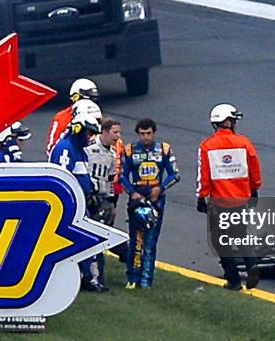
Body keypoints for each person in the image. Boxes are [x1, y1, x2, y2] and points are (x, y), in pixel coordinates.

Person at [196, 103, 263, 290]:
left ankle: (233, 280)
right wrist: (254, 189)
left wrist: (201, 197)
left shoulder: (207, 146)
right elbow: (254, 170)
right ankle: (252, 266)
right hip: (241, 199)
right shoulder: (244, 143)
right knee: (240, 237)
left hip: (219, 201)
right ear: (227, 121)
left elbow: (204, 176)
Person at [120, 118, 180, 289]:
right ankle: (132, 278)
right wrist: (132, 192)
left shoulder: (164, 149)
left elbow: (174, 174)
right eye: (142, 133)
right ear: (138, 133)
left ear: (154, 132)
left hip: (156, 199)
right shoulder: (130, 150)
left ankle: (146, 280)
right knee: (135, 239)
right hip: (137, 198)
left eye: (148, 133)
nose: (145, 137)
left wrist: (160, 188)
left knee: (151, 241)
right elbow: (122, 176)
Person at [49, 112, 103, 292]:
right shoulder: (66, 149)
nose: (90, 138)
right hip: (70, 207)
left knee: (88, 240)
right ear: (78, 130)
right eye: (89, 133)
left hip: (81, 204)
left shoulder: (79, 150)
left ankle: (87, 276)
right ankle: (79, 277)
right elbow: (63, 180)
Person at [84, 118, 122, 290]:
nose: (118, 136)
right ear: (105, 132)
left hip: (103, 200)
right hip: (88, 199)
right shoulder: (89, 149)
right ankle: (90, 277)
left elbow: (111, 180)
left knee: (100, 241)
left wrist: (111, 204)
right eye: (115, 132)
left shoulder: (113, 154)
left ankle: (98, 278)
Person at [46, 78, 100, 156]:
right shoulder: (61, 118)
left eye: (93, 99)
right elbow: (51, 148)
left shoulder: (98, 116)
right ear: (75, 97)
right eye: (87, 99)